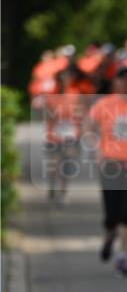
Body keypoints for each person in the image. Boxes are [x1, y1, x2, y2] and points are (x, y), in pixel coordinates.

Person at [86, 67, 127, 277]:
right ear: (115, 82)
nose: (126, 84)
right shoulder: (104, 104)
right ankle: (109, 236)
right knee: (111, 213)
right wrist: (94, 144)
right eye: (122, 80)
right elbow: (89, 126)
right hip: (111, 163)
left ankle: (122, 256)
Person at [42, 72, 82, 205]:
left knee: (66, 164)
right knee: (54, 164)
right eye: (61, 81)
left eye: (66, 80)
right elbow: (48, 116)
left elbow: (79, 114)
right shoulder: (51, 97)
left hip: (70, 134)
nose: (64, 83)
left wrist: (79, 131)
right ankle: (52, 185)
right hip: (54, 135)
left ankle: (64, 192)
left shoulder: (75, 95)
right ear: (57, 82)